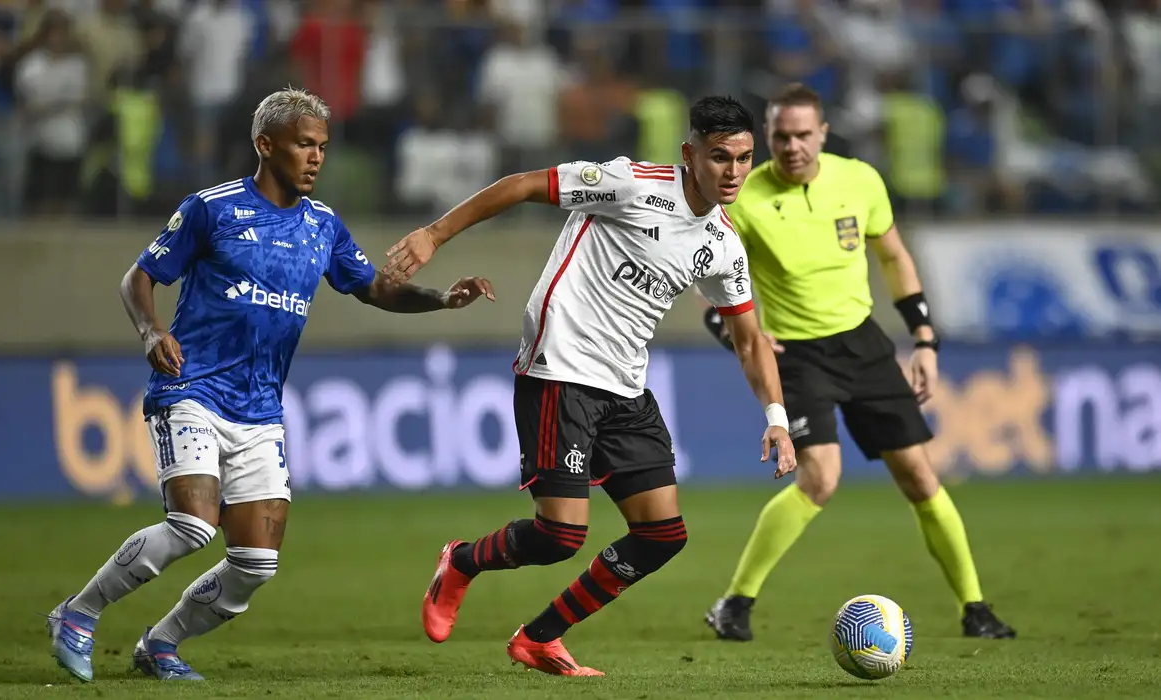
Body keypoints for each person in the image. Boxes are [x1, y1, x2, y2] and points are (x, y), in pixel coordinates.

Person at [46, 87, 495, 683]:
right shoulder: (212, 209)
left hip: (260, 409)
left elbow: (374, 288)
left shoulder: (323, 225)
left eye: (323, 147)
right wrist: (152, 333)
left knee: (255, 563)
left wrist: (441, 299)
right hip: (194, 388)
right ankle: (77, 614)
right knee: (193, 526)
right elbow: (139, 277)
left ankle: (161, 645)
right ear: (265, 145)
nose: (316, 158)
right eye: (304, 144)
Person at [382, 96, 798, 676]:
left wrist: (776, 418)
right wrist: (434, 234)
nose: (732, 172)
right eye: (719, 156)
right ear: (690, 153)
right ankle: (461, 562)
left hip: (626, 387)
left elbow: (751, 339)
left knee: (661, 534)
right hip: (561, 370)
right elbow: (524, 183)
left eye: (744, 158)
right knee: (560, 534)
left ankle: (539, 638)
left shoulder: (724, 245)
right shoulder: (629, 184)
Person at [701, 83, 1016, 642]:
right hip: (797, 356)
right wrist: (736, 337)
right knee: (820, 478)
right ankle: (735, 603)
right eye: (780, 136)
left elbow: (894, 257)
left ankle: (976, 608)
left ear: (822, 133)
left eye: (802, 134)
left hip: (863, 345)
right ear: (768, 138)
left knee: (921, 477)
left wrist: (923, 338)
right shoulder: (744, 200)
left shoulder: (860, 180)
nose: (792, 146)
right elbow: (709, 288)